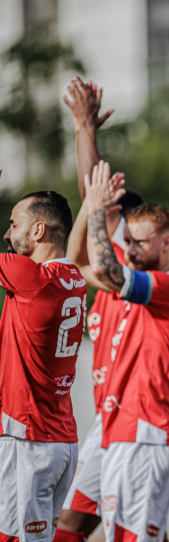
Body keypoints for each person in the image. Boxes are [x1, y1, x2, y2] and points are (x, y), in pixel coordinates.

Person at [80, 161, 169, 542]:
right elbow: (88, 262)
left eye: (139, 243)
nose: (129, 249)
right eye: (127, 241)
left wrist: (95, 208)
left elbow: (103, 267)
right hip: (126, 430)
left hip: (147, 433)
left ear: (167, 243)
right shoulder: (142, 282)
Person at [56, 78, 143, 542]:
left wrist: (84, 127)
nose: (97, 218)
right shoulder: (101, 268)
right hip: (108, 419)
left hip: (134, 423)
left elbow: (93, 194)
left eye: (107, 216)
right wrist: (82, 129)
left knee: (129, 531)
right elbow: (92, 201)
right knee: (72, 526)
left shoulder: (129, 261)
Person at [0, 189, 86, 542]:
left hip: (29, 439)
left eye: (13, 224)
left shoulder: (30, 277)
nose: (7, 235)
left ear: (38, 231)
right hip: (61, 439)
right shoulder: (76, 279)